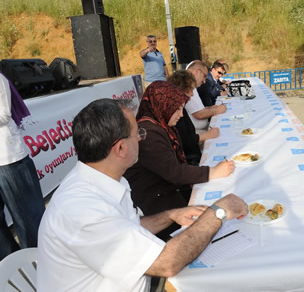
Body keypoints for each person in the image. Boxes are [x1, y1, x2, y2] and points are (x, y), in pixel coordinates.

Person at [37, 98, 247, 291]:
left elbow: (127, 226)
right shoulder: (83, 211)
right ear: (120, 148)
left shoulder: (105, 177)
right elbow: (167, 263)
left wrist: (170, 215)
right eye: (137, 133)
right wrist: (218, 212)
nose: (140, 138)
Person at [123, 82, 234, 240]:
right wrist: (213, 172)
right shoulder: (148, 134)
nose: (181, 114)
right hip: (156, 205)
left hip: (168, 191)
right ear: (163, 105)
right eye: (178, 109)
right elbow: (174, 172)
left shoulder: (160, 124)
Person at [0, 73, 45, 261]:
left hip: (9, 159)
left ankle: (39, 264)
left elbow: (3, 114)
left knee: (28, 219)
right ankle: (11, 266)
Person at [168, 71, 220, 165]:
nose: (192, 94)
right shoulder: (174, 111)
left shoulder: (181, 106)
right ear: (182, 90)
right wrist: (207, 135)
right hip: (189, 160)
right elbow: (184, 141)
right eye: (191, 90)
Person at [185, 60, 227, 132]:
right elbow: (199, 114)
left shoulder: (192, 86)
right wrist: (218, 109)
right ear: (197, 72)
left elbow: (196, 109)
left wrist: (209, 108)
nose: (204, 81)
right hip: (197, 131)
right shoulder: (187, 86)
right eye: (204, 76)